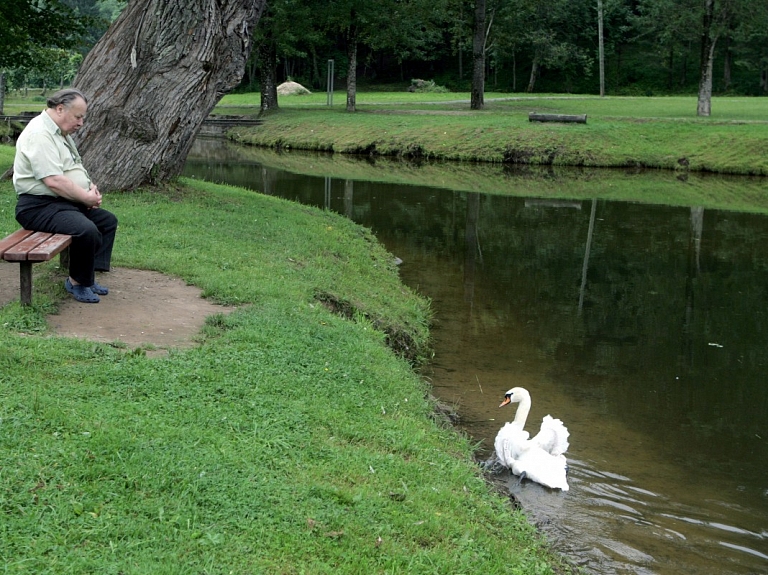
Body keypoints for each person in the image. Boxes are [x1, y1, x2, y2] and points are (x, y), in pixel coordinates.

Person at [13, 88, 118, 304]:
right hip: (38, 207)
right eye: (78, 117)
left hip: (61, 203)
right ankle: (76, 282)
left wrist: (90, 188)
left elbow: (72, 167)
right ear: (60, 109)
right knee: (86, 230)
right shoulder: (40, 134)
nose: (81, 123)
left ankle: (88, 277)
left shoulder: (58, 132)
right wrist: (85, 198)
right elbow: (53, 181)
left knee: (107, 222)